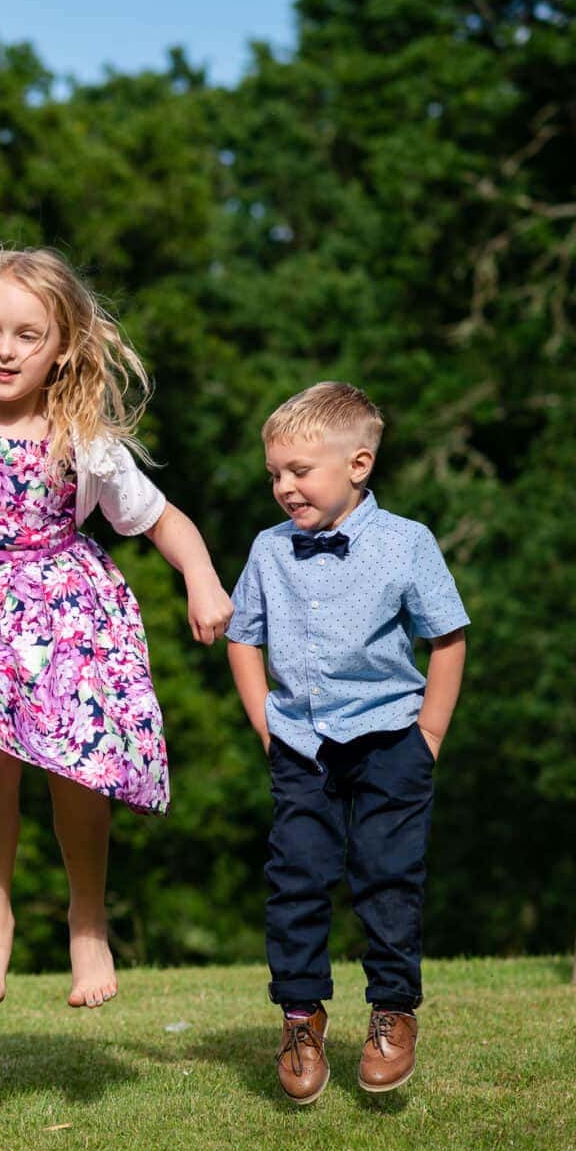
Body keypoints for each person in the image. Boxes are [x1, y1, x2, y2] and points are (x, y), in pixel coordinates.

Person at [0, 247, 230, 1008]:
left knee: (77, 761)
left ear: (61, 346)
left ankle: (88, 925)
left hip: (64, 608)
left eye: (27, 335)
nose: (4, 349)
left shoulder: (80, 431)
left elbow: (161, 520)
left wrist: (203, 578)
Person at [225, 381, 467, 1104]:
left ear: (358, 465)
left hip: (392, 738)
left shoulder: (406, 543)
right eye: (274, 473)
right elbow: (244, 637)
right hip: (300, 742)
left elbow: (447, 638)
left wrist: (428, 733)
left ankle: (392, 1012)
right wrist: (267, 726)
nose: (284, 486)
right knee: (295, 876)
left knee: (387, 874)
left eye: (300, 471)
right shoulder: (268, 550)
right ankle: (301, 1018)